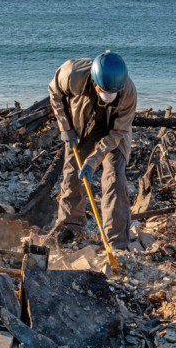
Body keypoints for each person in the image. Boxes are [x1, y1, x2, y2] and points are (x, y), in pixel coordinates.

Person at [46, 50, 137, 251]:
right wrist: (65, 128)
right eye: (104, 93)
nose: (108, 99)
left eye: (112, 95)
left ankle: (117, 242)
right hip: (81, 126)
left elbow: (118, 132)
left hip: (113, 132)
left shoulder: (128, 92)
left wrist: (94, 160)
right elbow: (55, 92)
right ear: (95, 83)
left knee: (115, 179)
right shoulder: (72, 74)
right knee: (72, 175)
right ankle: (70, 226)